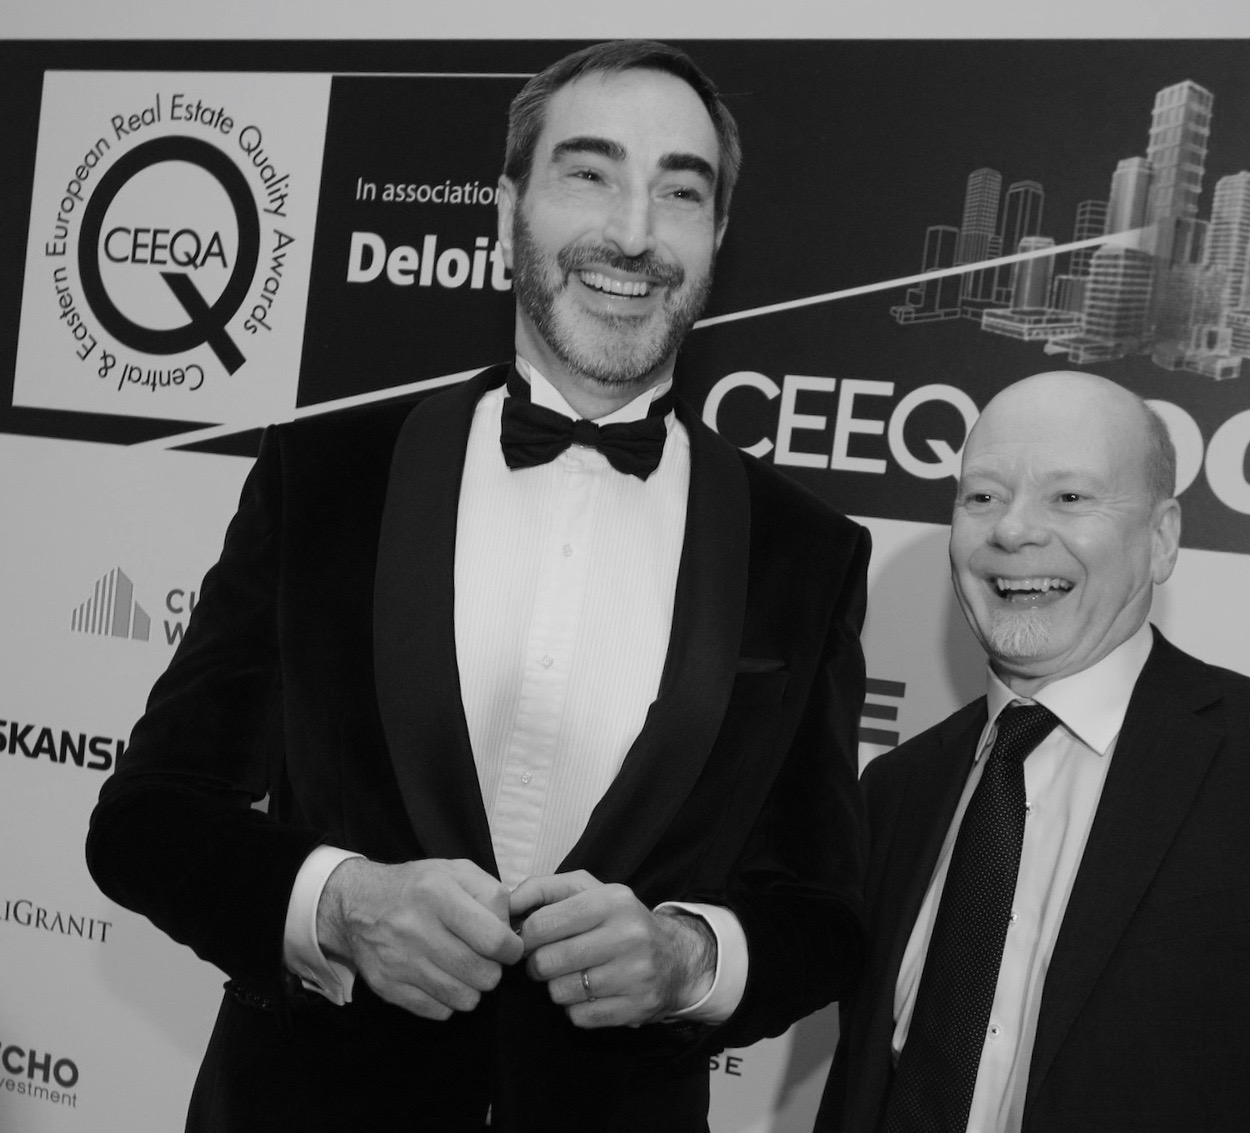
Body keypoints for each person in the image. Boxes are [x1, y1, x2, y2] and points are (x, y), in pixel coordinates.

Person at [86, 40, 870, 1132]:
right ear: (507, 209)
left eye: (680, 191)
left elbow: (823, 913)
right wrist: (338, 902)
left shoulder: (805, 550)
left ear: (717, 234)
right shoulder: (328, 476)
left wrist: (688, 957)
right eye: (588, 172)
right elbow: (146, 819)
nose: (633, 232)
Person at [817, 371, 1250, 1131]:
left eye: (1069, 496)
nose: (1013, 531)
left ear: (1161, 539)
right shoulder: (899, 787)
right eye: (983, 496)